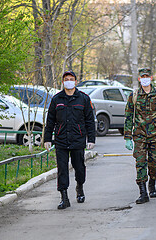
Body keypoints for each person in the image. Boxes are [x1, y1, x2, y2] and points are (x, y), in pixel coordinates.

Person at [44, 70, 96, 209]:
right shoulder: (57, 99)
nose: (68, 81)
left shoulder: (84, 98)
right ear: (63, 82)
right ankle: (64, 197)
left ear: (75, 81)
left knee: (79, 167)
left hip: (78, 140)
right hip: (61, 140)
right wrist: (47, 139)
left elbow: (90, 121)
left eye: (71, 79)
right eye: (66, 79)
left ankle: (79, 187)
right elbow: (50, 121)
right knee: (62, 169)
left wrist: (91, 139)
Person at [124, 67, 156, 204]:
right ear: (139, 79)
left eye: (147, 76)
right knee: (140, 163)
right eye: (142, 76)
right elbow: (128, 117)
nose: (145, 78)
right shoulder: (133, 95)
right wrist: (127, 137)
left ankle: (152, 183)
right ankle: (143, 192)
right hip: (139, 136)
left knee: (154, 164)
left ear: (151, 78)